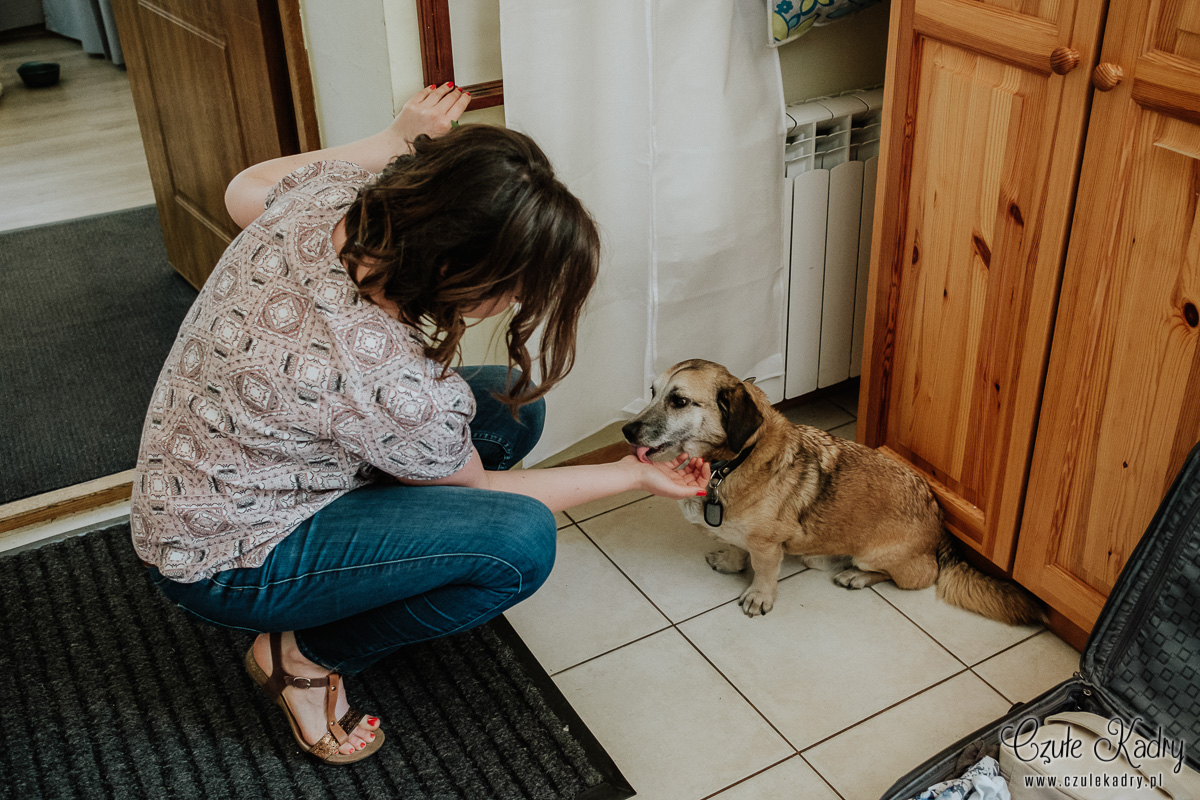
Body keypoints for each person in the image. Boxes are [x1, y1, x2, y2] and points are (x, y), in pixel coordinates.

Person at [131, 83, 709, 764]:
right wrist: (626, 474)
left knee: (502, 406)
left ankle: (345, 582)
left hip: (204, 482)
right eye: (516, 286)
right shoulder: (389, 380)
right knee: (517, 546)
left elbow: (240, 190)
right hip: (218, 558)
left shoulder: (335, 201)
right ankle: (300, 656)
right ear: (452, 266)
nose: (518, 301)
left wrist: (393, 136)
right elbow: (484, 497)